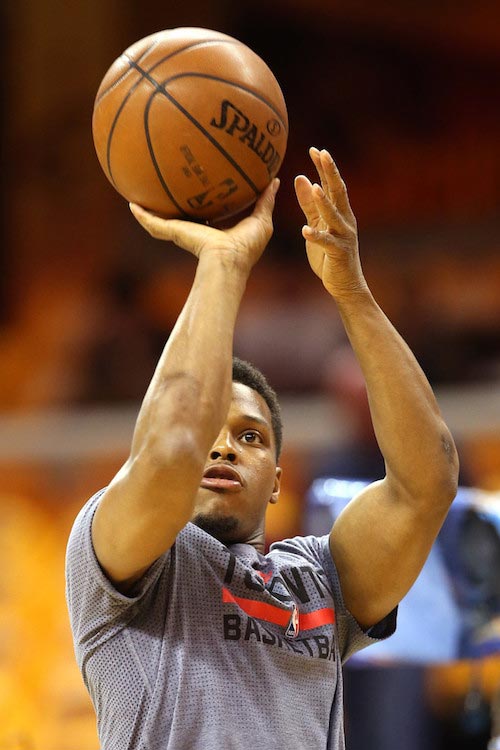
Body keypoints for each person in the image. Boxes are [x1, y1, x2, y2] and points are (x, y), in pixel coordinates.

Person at [65, 147, 459, 750]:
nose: (222, 449)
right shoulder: (119, 558)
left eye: (249, 437)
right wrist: (221, 264)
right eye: (211, 431)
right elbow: (171, 449)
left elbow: (427, 481)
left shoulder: (321, 581)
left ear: (278, 478)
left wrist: (351, 292)